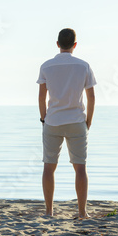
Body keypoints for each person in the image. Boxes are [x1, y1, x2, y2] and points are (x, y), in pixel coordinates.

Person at [36, 28, 96, 219]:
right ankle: (81, 212)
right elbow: (91, 97)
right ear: (75, 45)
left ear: (57, 44)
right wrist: (89, 121)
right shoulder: (83, 66)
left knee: (48, 166)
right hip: (77, 120)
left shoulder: (46, 66)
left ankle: (48, 211)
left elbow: (41, 97)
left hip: (53, 121)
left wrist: (44, 119)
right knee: (80, 167)